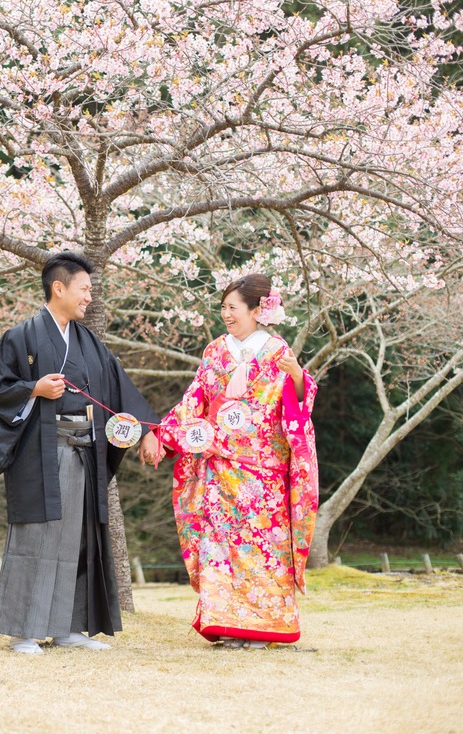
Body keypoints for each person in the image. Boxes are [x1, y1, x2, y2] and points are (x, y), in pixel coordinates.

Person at [0, 251, 161, 654]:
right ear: (58, 288)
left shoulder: (88, 342)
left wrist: (148, 429)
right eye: (84, 289)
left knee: (79, 539)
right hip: (42, 452)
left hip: (86, 452)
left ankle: (67, 627)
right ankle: (24, 631)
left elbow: (120, 390)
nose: (89, 298)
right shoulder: (21, 336)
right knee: (39, 537)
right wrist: (34, 389)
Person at [151, 274, 318, 649]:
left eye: (233, 307)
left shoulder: (277, 350)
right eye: (223, 307)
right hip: (220, 468)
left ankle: (263, 625)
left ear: (257, 311)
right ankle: (225, 622)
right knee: (220, 549)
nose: (226, 314)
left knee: (263, 550)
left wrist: (297, 378)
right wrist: (165, 434)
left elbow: (292, 408)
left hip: (263, 469)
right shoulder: (215, 350)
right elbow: (195, 398)